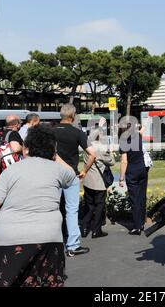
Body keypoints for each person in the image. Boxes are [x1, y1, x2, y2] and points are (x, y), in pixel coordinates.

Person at [0, 125, 76, 287]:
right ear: (53, 150)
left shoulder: (12, 171)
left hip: (9, 240)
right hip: (49, 238)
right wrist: (54, 154)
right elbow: (71, 173)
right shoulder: (57, 170)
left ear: (26, 149)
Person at [54, 104, 96, 257]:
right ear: (72, 116)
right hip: (71, 175)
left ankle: (53, 243)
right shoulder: (78, 133)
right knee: (71, 210)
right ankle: (72, 246)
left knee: (53, 209)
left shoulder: (50, 132)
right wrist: (84, 170)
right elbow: (92, 154)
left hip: (53, 175)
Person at [82, 120, 115, 238]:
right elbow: (112, 162)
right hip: (99, 183)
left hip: (87, 181)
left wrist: (99, 127)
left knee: (89, 206)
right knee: (99, 206)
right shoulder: (101, 150)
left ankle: (85, 228)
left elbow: (91, 136)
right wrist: (110, 152)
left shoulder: (88, 145)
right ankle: (96, 230)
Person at [119, 120, 149, 235]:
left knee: (134, 199)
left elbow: (124, 162)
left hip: (132, 173)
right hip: (142, 170)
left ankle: (136, 227)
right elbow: (141, 132)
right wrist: (144, 125)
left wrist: (121, 178)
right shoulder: (138, 137)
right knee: (142, 197)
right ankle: (141, 223)